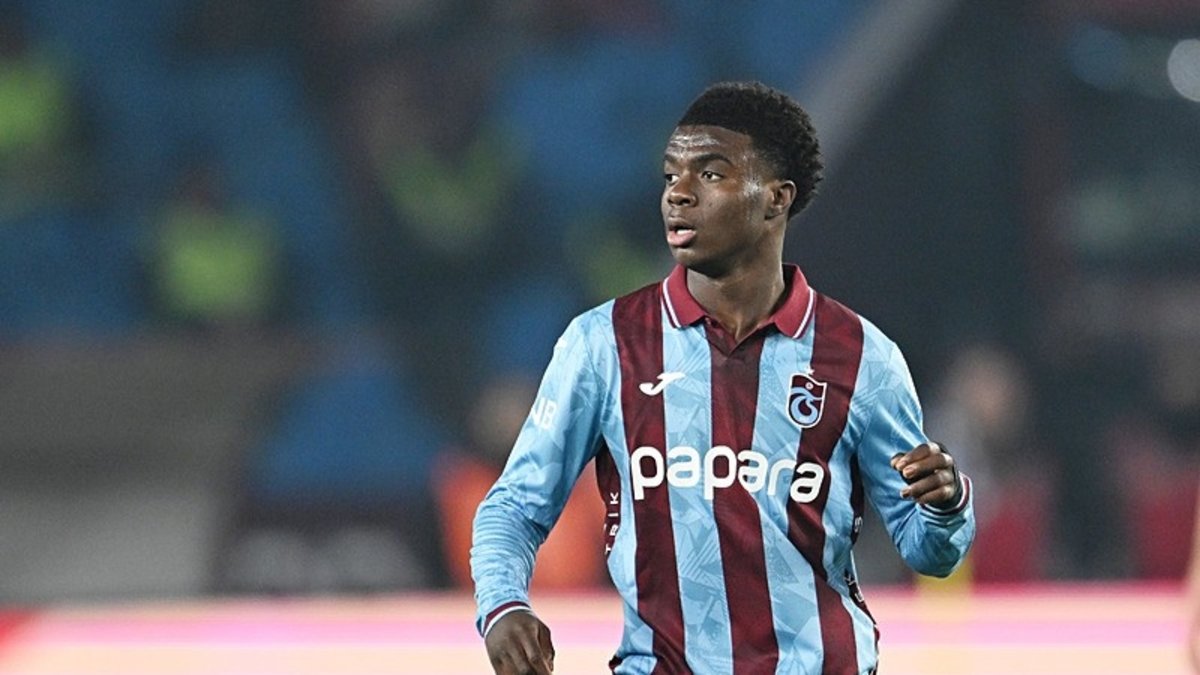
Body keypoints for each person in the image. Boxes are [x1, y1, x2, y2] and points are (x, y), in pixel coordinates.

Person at [471, 81, 975, 674]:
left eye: (710, 174)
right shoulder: (604, 344)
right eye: (670, 175)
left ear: (776, 199)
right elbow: (515, 506)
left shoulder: (862, 356)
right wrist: (503, 606)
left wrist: (946, 505)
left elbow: (929, 552)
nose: (678, 194)